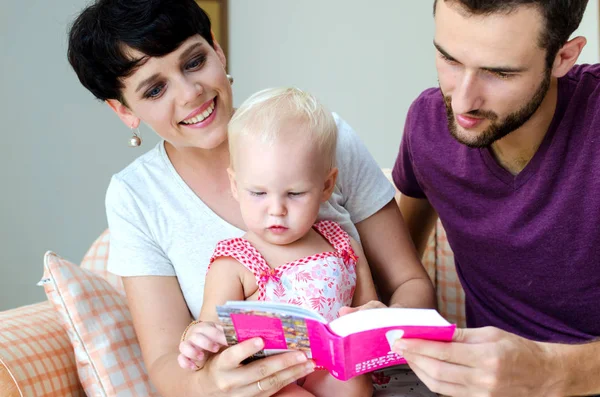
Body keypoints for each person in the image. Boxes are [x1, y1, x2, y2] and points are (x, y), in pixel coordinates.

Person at [67, 1, 435, 396]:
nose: (190, 93)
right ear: (124, 110)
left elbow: (411, 282)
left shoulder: (319, 138)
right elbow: (164, 363)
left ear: (217, 49)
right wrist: (210, 380)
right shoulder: (137, 197)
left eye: (193, 62)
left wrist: (385, 322)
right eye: (155, 89)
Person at [391, 0, 600, 396]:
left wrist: (553, 372)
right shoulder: (428, 126)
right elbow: (399, 265)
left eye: (499, 72)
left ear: (564, 57)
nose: (464, 101)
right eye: (448, 59)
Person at [179, 87, 377, 397]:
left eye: (295, 194)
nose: (276, 210)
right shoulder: (235, 261)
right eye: (258, 193)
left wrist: (371, 318)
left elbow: (368, 310)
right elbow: (211, 332)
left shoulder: (342, 245)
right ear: (235, 184)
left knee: (355, 385)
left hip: (330, 368)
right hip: (269, 379)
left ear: (326, 186)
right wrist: (199, 341)